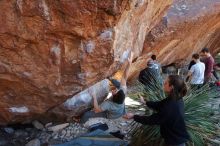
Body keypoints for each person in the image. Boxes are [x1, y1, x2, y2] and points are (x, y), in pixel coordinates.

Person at [124, 75, 190, 146]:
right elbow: (159, 105)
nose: (163, 84)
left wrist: (134, 116)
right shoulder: (176, 98)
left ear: (171, 87)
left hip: (175, 142)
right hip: (176, 139)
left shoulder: (170, 106)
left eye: (166, 83)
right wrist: (145, 102)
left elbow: (152, 120)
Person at [80, 52, 133, 123]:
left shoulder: (108, 104)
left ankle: (81, 122)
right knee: (119, 84)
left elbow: (97, 110)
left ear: (114, 95)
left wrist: (94, 96)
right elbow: (124, 77)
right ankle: (110, 78)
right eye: (118, 90)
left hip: (111, 115)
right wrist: (129, 64)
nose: (116, 89)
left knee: (87, 114)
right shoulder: (122, 92)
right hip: (120, 109)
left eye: (115, 91)